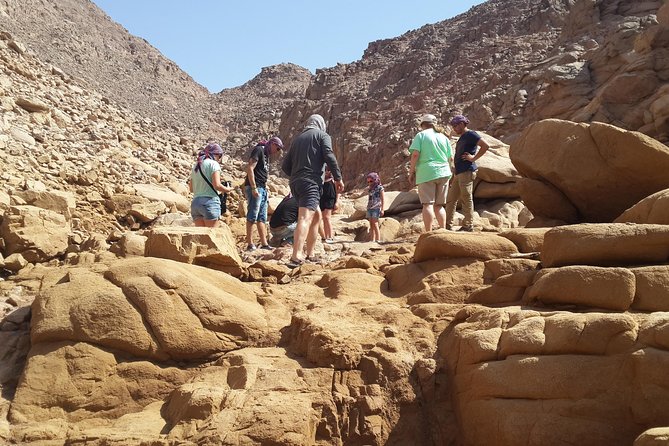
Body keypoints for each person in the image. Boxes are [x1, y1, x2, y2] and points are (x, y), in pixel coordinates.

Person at [282, 114, 344, 267]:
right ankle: (296, 255)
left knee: (316, 216)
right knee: (305, 217)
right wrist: (338, 177)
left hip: (296, 183)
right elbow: (329, 155)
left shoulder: (298, 139)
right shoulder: (322, 135)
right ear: (321, 124)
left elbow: (285, 166)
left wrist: (297, 174)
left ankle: (310, 253)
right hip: (311, 182)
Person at [408, 113, 454, 232]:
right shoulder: (443, 137)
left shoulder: (421, 135)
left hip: (426, 172)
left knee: (427, 204)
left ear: (423, 125)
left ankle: (428, 232)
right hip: (444, 172)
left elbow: (415, 154)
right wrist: (449, 171)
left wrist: (411, 172)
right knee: (439, 205)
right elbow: (451, 158)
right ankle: (443, 231)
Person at [445, 114, 489, 232]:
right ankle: (447, 225)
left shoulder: (471, 134)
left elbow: (485, 146)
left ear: (462, 124)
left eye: (455, 126)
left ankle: (468, 225)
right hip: (459, 172)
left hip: (467, 170)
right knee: (450, 199)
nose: (454, 128)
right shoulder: (462, 137)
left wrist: (473, 158)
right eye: (453, 126)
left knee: (466, 198)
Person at [244, 136, 284, 250]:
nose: (277, 151)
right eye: (277, 148)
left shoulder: (266, 154)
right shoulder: (259, 150)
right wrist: (253, 188)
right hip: (255, 186)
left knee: (262, 216)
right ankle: (250, 243)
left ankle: (264, 243)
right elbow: (250, 168)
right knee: (252, 214)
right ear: (272, 144)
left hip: (262, 186)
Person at [189, 142, 233, 228]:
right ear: (215, 154)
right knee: (212, 236)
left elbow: (191, 189)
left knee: (200, 237)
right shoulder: (213, 164)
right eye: (219, 156)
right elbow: (217, 185)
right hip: (209, 203)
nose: (219, 159)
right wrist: (227, 189)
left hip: (195, 204)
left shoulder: (196, 166)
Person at [319, 166, 338, 243]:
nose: (327, 172)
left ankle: (330, 237)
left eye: (328, 170)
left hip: (330, 198)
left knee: (327, 217)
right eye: (325, 170)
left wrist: (337, 202)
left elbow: (338, 191)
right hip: (322, 199)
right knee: (324, 218)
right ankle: (326, 237)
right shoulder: (321, 180)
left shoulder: (333, 180)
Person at [366, 172, 385, 243]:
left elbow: (382, 199)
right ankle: (372, 239)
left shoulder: (380, 188)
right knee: (371, 224)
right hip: (369, 207)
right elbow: (369, 198)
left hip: (376, 207)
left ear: (375, 179)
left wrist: (382, 209)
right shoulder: (370, 188)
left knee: (375, 223)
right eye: (368, 182)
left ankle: (378, 239)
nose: (369, 183)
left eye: (371, 181)